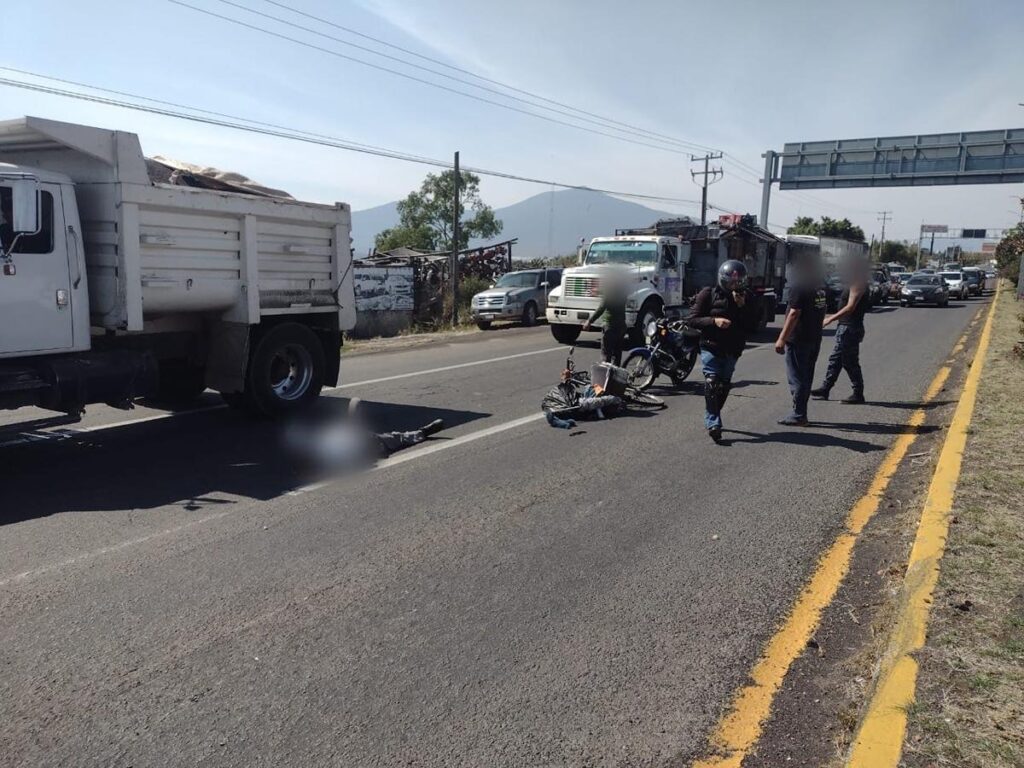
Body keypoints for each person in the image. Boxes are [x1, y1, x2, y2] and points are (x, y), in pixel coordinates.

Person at [688, 260, 761, 442]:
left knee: (724, 385)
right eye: (731, 282)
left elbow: (753, 326)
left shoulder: (748, 297)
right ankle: (714, 423)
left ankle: (712, 414)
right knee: (712, 383)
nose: (734, 286)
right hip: (711, 345)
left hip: (733, 348)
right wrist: (714, 321)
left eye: (738, 282)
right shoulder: (708, 294)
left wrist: (743, 306)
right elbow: (692, 319)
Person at [774, 256, 827, 426]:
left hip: (799, 338)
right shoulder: (820, 287)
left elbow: (794, 313)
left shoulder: (800, 287)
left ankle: (798, 414)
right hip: (814, 337)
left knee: (797, 377)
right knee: (806, 377)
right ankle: (801, 413)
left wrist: (782, 338)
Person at [812, 257, 869, 404]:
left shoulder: (858, 284)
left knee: (849, 361)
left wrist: (830, 319)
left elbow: (850, 307)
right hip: (845, 327)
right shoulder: (853, 283)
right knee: (836, 360)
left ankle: (858, 393)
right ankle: (826, 388)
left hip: (849, 328)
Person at [582, 271, 629, 367]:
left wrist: (589, 321)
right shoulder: (623, 292)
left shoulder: (609, 294)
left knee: (606, 355)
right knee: (617, 354)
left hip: (610, 326)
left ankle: (605, 378)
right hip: (621, 326)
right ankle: (615, 377)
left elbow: (601, 308)